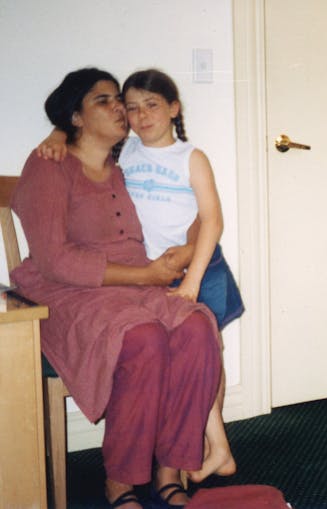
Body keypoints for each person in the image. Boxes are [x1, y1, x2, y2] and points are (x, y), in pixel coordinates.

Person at [12, 68, 222, 508]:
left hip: (134, 283)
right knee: (142, 338)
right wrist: (146, 276)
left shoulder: (126, 163)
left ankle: (169, 469)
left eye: (118, 100)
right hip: (67, 290)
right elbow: (55, 259)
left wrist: (180, 255)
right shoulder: (48, 165)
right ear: (76, 117)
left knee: (197, 330)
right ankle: (121, 481)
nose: (120, 110)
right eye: (103, 101)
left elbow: (195, 210)